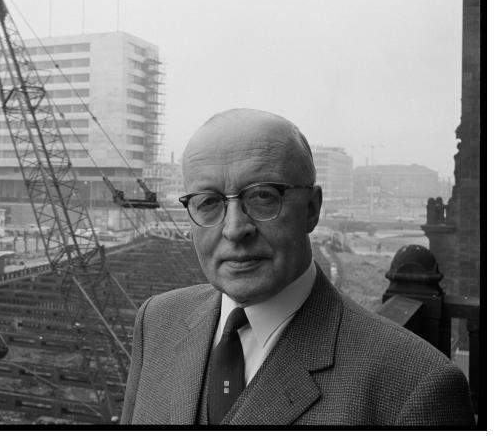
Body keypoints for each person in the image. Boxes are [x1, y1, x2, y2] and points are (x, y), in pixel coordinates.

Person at [120, 109, 472, 426]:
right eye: (209, 202)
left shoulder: (416, 388)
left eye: (262, 196)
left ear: (312, 209)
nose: (233, 229)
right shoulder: (156, 322)